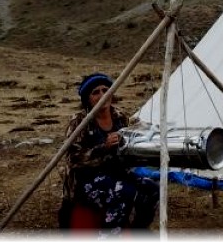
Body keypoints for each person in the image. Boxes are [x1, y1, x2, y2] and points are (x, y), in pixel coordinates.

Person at [59, 73, 159, 234]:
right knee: (123, 191)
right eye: (95, 92)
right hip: (85, 181)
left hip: (116, 173)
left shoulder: (120, 117)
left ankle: (138, 231)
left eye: (105, 90)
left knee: (151, 188)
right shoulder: (80, 121)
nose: (102, 95)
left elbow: (135, 139)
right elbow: (73, 158)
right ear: (87, 99)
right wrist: (103, 147)